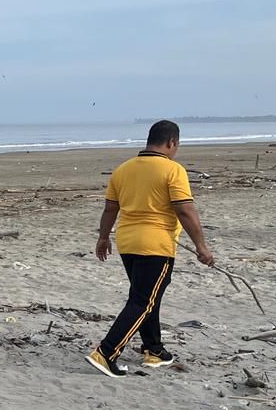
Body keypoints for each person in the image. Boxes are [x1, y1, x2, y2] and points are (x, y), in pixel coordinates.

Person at [87, 120, 214, 378]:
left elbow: (111, 209)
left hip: (128, 242)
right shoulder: (172, 170)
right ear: (171, 143)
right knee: (142, 301)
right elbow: (184, 210)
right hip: (155, 244)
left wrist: (103, 237)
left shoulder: (123, 170)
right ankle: (106, 352)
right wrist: (201, 246)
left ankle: (154, 350)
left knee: (147, 297)